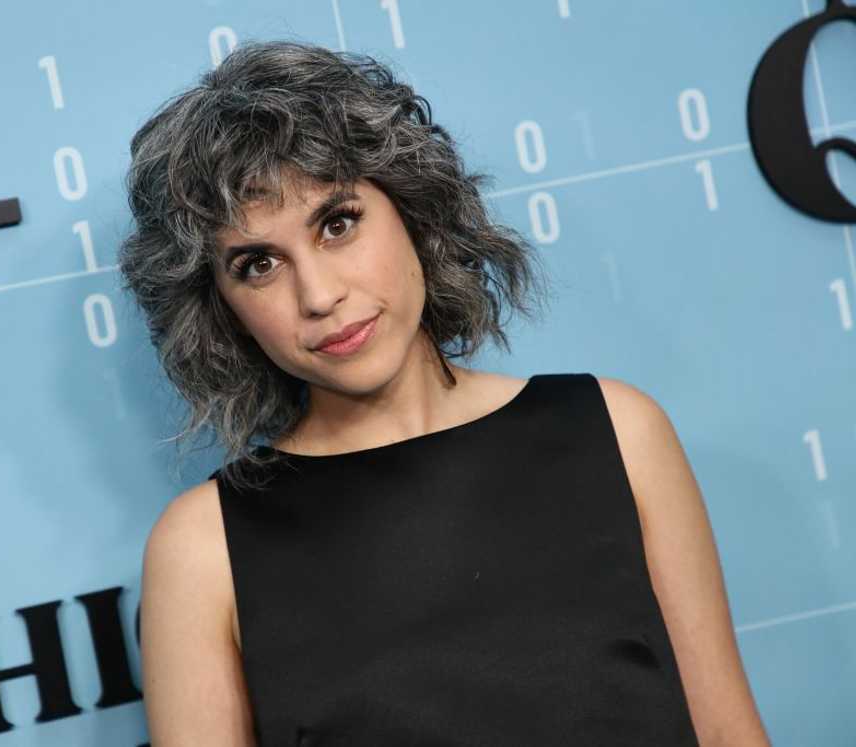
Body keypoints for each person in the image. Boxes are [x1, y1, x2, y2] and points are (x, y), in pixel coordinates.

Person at [119, 39, 770, 746]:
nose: (319, 294)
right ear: (220, 308)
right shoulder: (203, 546)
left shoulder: (618, 430)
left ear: (411, 208)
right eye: (258, 264)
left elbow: (730, 733)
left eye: (337, 224)